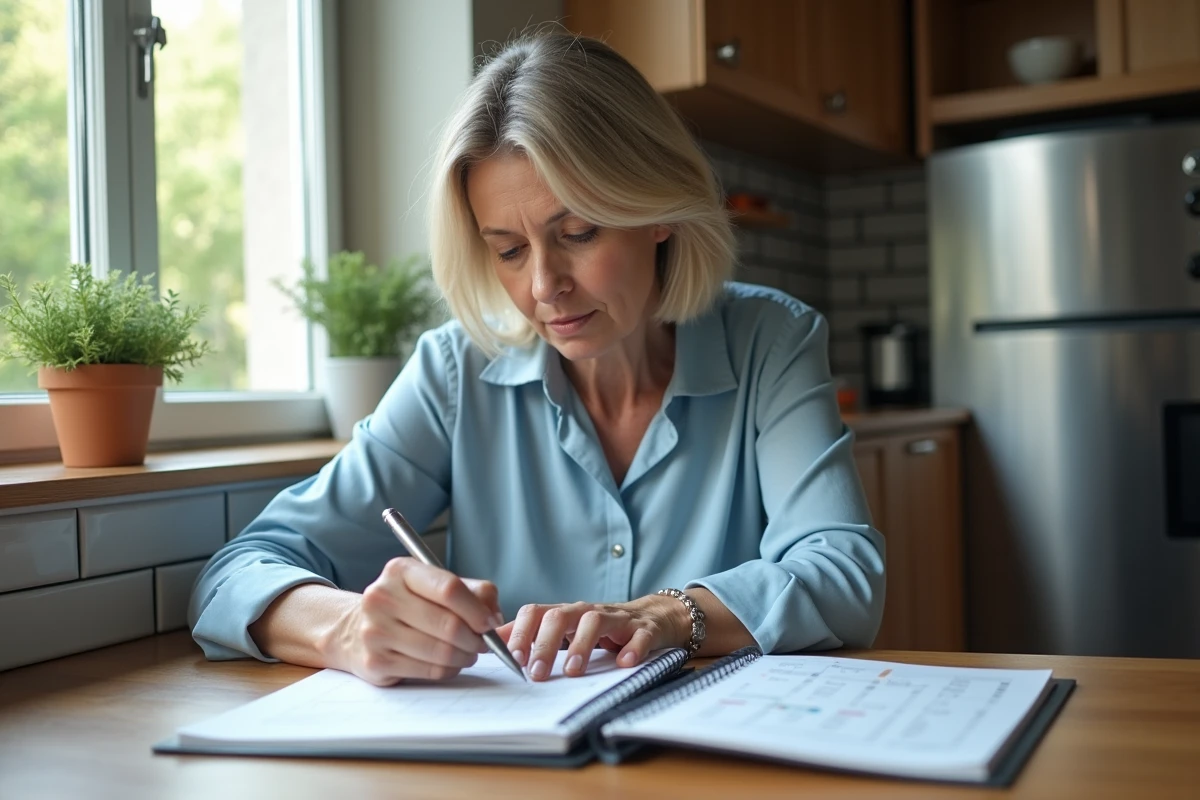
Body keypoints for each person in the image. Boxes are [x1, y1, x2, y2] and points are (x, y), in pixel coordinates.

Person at [188, 32, 884, 686]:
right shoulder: (454, 373)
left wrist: (669, 615)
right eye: (509, 250)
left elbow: (845, 575)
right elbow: (236, 574)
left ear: (661, 211)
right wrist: (344, 628)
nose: (544, 286)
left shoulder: (771, 340)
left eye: (578, 232)